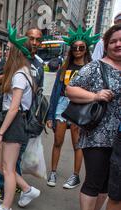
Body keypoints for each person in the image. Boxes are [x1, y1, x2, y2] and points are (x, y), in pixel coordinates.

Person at [67, 24, 120, 210]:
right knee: (94, 180)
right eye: (113, 41)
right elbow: (70, 89)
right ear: (106, 45)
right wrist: (95, 95)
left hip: (119, 138)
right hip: (97, 134)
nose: (118, 45)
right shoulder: (95, 67)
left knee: (109, 184)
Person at [0, 26, 41, 210]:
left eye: (8, 50)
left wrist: (0, 134)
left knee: (8, 168)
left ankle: (5, 209)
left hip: (14, 122)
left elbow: (15, 108)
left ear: (15, 52)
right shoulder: (19, 72)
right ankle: (27, 188)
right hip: (8, 120)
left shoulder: (19, 74)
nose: (6, 52)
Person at [46, 27, 96, 189]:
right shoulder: (64, 67)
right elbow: (55, 92)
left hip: (80, 106)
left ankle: (75, 176)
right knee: (58, 141)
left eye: (81, 47)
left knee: (77, 143)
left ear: (86, 49)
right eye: (75, 47)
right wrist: (49, 115)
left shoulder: (91, 68)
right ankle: (52, 172)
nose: (77, 50)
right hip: (62, 104)